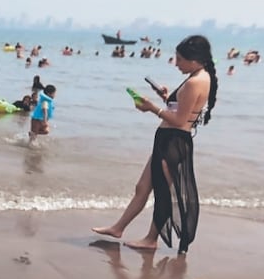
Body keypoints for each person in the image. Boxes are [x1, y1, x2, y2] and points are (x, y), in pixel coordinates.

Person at [92, 35, 218, 253]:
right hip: (169, 140)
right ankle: (118, 228)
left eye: (179, 59)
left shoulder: (195, 81)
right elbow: (183, 111)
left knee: (162, 192)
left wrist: (152, 108)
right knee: (142, 187)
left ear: (194, 59)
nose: (176, 63)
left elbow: (179, 121)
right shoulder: (200, 76)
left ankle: (151, 239)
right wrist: (167, 98)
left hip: (173, 142)